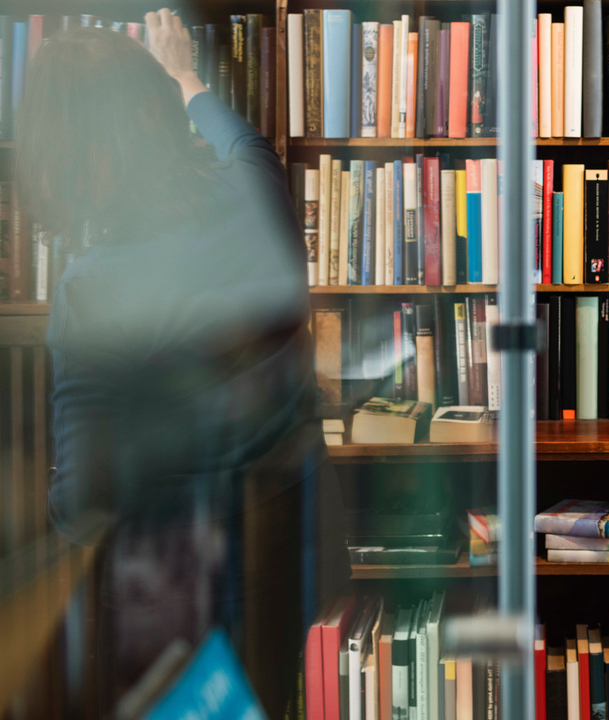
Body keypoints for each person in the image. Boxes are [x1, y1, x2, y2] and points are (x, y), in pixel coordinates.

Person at [17, 11, 348, 716]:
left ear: (68, 154)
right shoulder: (255, 188)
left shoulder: (92, 287)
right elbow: (243, 138)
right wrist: (185, 73)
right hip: (299, 552)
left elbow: (82, 502)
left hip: (182, 598)